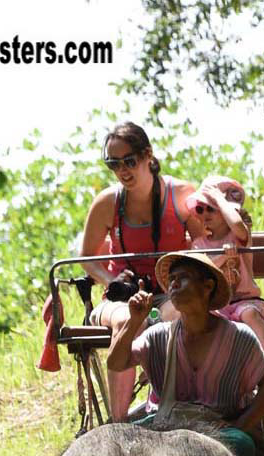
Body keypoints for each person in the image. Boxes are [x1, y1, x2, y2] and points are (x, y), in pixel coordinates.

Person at [107, 251, 264, 456]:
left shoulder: (239, 337)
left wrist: (239, 425)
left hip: (216, 432)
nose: (174, 284)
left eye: (183, 277)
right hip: (164, 428)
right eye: (171, 280)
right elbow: (116, 363)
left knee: (239, 443)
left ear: (208, 286)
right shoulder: (158, 336)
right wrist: (133, 322)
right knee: (114, 445)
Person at [80, 122, 196, 418]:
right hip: (120, 299)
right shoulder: (107, 203)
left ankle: (171, 408)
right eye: (113, 164)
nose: (123, 171)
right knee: (129, 321)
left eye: (129, 161)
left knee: (173, 317)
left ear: (148, 156)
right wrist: (113, 281)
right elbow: (87, 259)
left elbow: (203, 247)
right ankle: (117, 424)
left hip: (170, 295)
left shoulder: (180, 194)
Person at [187, 176, 264, 360]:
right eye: (200, 209)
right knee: (201, 322)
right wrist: (223, 257)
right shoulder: (199, 244)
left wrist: (218, 198)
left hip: (244, 300)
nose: (204, 214)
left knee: (250, 315)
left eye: (211, 208)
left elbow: (237, 225)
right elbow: (201, 268)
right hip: (215, 304)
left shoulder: (239, 237)